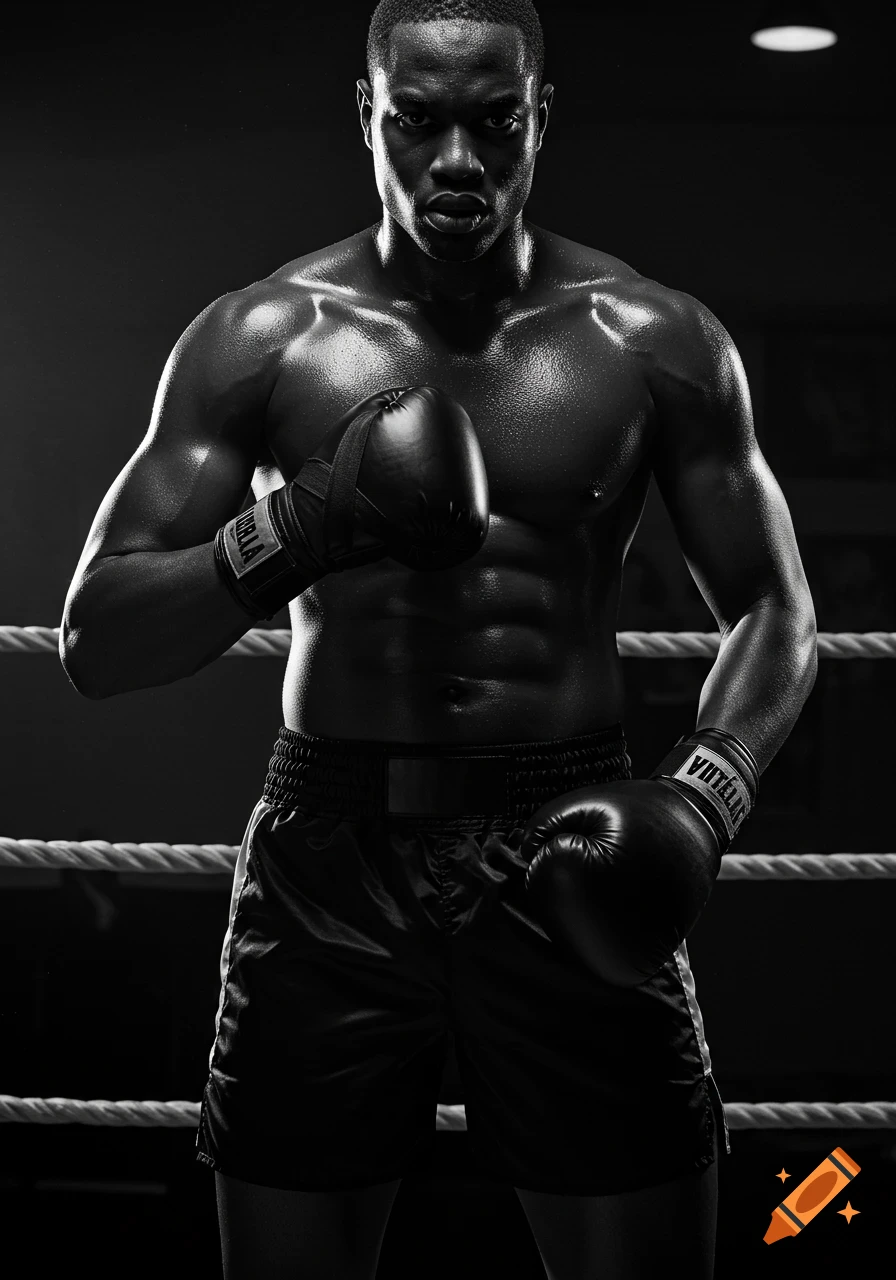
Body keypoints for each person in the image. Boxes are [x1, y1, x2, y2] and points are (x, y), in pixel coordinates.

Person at [59, 1, 818, 1276]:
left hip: (568, 828)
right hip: (328, 851)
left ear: (540, 118)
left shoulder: (655, 341)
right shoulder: (260, 338)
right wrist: (299, 528)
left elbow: (773, 608)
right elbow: (98, 637)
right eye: (417, 122)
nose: (455, 162)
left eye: (492, 122)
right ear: (367, 115)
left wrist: (699, 799)